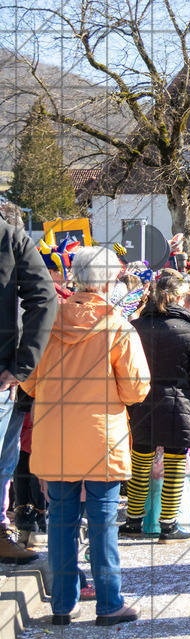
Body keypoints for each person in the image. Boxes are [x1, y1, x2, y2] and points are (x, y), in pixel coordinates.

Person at [23, 246, 149, 626]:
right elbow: (136, 389)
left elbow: (28, 381)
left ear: (75, 277)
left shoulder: (47, 323)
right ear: (110, 280)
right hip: (101, 437)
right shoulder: (117, 327)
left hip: (55, 434)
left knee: (60, 521)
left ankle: (63, 604)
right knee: (103, 523)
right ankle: (109, 603)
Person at [121, 272, 190, 543]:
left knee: (140, 461)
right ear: (179, 297)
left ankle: (132, 521)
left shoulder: (136, 327)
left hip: (140, 403)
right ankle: (168, 526)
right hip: (180, 406)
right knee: (175, 465)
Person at [0, 202, 57, 564]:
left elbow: (44, 299)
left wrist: (21, 367)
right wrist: (21, 366)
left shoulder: (9, 236)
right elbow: (44, 298)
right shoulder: (9, 235)